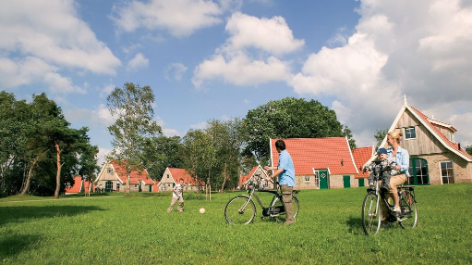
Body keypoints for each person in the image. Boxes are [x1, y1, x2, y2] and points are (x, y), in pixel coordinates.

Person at [264, 139, 296, 225]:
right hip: (284, 181)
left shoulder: (284, 155)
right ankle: (288, 218)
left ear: (277, 148)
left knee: (287, 201)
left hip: (286, 181)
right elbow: (280, 166)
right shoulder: (284, 154)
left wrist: (270, 177)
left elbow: (281, 169)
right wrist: (270, 168)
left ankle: (290, 220)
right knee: (284, 200)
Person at [381, 130, 410, 222]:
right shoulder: (387, 152)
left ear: (394, 139)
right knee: (384, 197)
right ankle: (384, 221)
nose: (387, 141)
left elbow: (406, 166)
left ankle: (397, 206)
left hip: (401, 175)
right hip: (389, 176)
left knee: (390, 183)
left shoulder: (404, 152)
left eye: (388, 139)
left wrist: (399, 167)